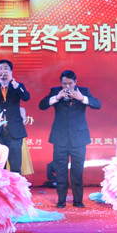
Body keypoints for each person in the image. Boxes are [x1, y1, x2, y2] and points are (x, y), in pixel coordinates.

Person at [38, 69, 102, 208]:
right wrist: (57, 97)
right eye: (64, 84)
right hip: (60, 139)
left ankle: (78, 201)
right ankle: (61, 201)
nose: (67, 86)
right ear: (61, 83)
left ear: (75, 82)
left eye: (70, 83)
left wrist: (82, 98)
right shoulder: (56, 91)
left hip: (78, 139)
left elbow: (97, 104)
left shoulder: (83, 91)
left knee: (77, 172)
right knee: (60, 172)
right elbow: (41, 105)